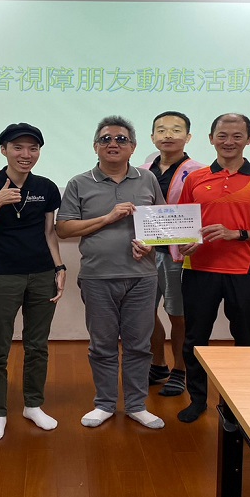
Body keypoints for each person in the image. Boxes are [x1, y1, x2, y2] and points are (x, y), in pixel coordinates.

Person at [56, 116, 166, 430]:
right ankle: (104, 404)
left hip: (142, 277)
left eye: (121, 139)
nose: (113, 144)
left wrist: (150, 245)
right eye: (106, 139)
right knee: (102, 345)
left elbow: (162, 224)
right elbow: (64, 229)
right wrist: (108, 217)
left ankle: (136, 405)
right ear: (95, 146)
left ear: (133, 147)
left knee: (139, 345)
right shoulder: (79, 182)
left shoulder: (147, 180)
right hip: (97, 277)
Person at [176, 113, 250, 423]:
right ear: (211, 138)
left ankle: (237, 404)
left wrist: (237, 234)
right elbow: (182, 224)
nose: (229, 142)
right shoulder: (194, 179)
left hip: (244, 272)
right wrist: (185, 242)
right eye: (222, 135)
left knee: (246, 341)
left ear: (249, 140)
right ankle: (197, 400)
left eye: (237, 136)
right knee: (195, 340)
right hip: (199, 270)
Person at [0, 123, 65, 441]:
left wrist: (59, 266)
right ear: (3, 150)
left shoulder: (46, 187)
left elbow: (49, 233)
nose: (26, 154)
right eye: (18, 147)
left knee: (37, 345)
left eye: (33, 148)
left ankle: (33, 405)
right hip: (1, 275)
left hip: (42, 274)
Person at [140, 111, 205, 397]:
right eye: (161, 130)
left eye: (176, 130)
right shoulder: (140, 170)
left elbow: (205, 211)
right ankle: (158, 364)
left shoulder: (200, 172)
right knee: (144, 312)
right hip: (143, 253)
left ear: (188, 137)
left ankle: (180, 369)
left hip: (178, 254)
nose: (168, 135)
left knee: (178, 315)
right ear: (152, 136)